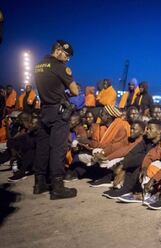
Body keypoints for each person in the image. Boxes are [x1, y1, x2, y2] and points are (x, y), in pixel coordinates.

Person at [33, 40, 79, 200]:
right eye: (66, 55)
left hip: (44, 110)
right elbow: (74, 90)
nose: (67, 59)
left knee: (43, 147)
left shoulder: (38, 66)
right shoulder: (59, 67)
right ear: (58, 50)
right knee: (58, 148)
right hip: (58, 112)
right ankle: (57, 187)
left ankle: (39, 183)